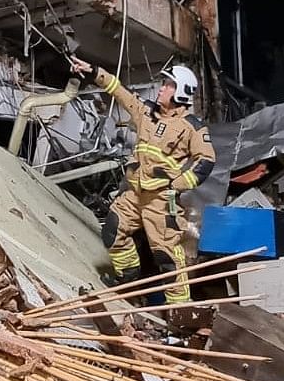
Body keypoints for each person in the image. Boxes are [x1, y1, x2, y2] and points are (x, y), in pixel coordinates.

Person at [69, 56, 215, 303]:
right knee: (113, 233)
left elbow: (206, 160)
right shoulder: (146, 112)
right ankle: (127, 278)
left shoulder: (192, 127)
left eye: (169, 85)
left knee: (167, 257)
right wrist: (94, 71)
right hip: (135, 194)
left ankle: (180, 313)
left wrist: (177, 184)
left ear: (181, 92)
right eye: (164, 83)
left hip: (160, 200)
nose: (162, 88)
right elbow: (120, 91)